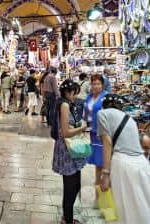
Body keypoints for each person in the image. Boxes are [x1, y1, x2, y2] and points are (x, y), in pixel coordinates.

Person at [98, 94, 150, 224]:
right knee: (146, 203)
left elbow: (107, 143)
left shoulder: (103, 114)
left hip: (123, 163)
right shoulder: (129, 119)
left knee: (124, 205)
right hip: (141, 164)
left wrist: (105, 173)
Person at [52, 80, 87, 224]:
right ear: (67, 92)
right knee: (71, 188)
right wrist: (82, 128)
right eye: (74, 93)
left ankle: (67, 218)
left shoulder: (63, 103)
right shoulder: (65, 105)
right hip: (68, 149)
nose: (75, 96)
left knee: (74, 185)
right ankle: (67, 220)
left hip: (71, 146)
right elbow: (66, 132)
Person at [84, 74, 108, 198]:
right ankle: (98, 194)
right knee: (98, 164)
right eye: (93, 83)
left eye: (98, 83)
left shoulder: (106, 98)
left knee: (105, 163)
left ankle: (103, 193)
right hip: (93, 132)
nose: (95, 86)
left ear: (102, 85)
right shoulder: (89, 97)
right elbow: (86, 113)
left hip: (103, 133)